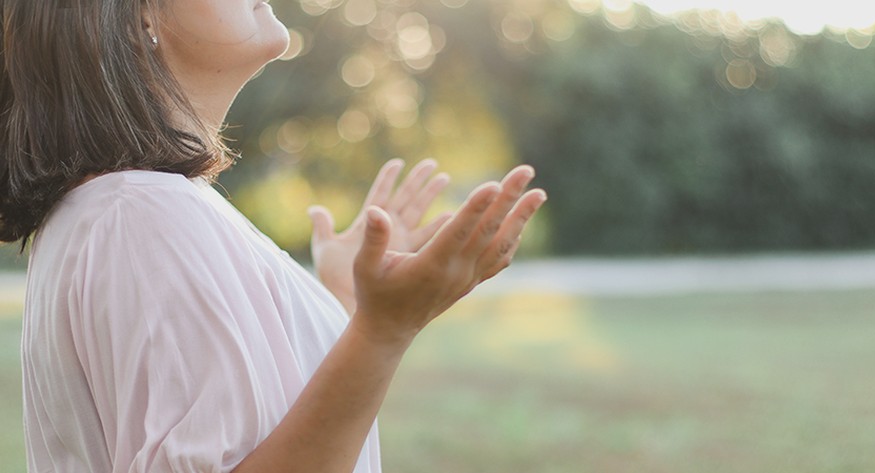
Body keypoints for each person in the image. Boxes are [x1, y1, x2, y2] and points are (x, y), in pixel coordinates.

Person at [0, 0, 546, 472]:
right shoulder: (141, 214)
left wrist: (344, 301)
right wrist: (384, 331)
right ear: (135, 15)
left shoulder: (129, 207)